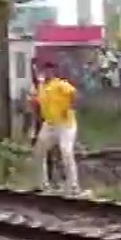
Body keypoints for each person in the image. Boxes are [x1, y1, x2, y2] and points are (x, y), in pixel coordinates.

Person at [33, 61, 81, 195]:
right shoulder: (41, 87)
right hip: (50, 124)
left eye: (50, 71)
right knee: (39, 151)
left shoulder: (60, 84)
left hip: (66, 124)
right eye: (45, 70)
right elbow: (38, 103)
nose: (47, 73)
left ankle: (73, 186)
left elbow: (74, 94)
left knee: (66, 151)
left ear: (54, 72)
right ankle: (42, 184)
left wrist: (70, 107)